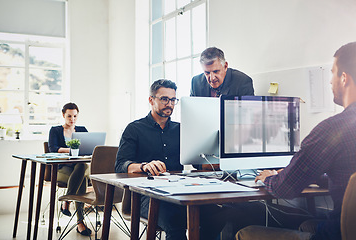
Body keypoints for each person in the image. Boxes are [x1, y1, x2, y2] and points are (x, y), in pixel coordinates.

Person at [235, 42, 356, 240]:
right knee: (306, 224)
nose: (330, 82)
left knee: (245, 233)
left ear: (344, 78)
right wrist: (318, 176)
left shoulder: (333, 129)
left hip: (338, 234)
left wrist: (268, 177)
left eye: (332, 73)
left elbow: (286, 188)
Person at [115, 79, 227, 240]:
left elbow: (197, 161)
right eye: (164, 99)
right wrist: (144, 166)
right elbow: (120, 165)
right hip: (147, 196)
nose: (170, 104)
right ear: (151, 100)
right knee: (175, 222)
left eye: (173, 100)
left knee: (218, 214)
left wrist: (217, 160)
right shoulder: (134, 129)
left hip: (179, 191)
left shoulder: (181, 129)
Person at [48, 102, 91, 236]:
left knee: (82, 167)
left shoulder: (82, 129)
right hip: (61, 170)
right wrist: (73, 150)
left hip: (79, 167)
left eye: (75, 116)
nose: (72, 119)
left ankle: (67, 199)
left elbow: (89, 147)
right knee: (82, 178)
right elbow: (53, 149)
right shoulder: (55, 130)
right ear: (63, 115)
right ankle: (80, 223)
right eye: (69, 116)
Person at [190, 46, 254, 97]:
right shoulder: (195, 83)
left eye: (216, 71)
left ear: (225, 66)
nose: (212, 78)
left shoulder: (242, 82)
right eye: (207, 73)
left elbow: (248, 112)